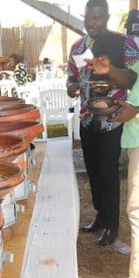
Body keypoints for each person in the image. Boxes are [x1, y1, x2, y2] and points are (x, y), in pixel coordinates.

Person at [66, 0, 139, 246]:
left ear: (106, 17)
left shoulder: (124, 43)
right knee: (93, 170)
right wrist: (72, 87)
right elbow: (71, 78)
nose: (91, 22)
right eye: (88, 17)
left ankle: (111, 225)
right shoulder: (77, 48)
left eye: (96, 17)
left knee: (108, 173)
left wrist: (110, 71)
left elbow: (132, 79)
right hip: (87, 119)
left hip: (113, 119)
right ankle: (100, 215)